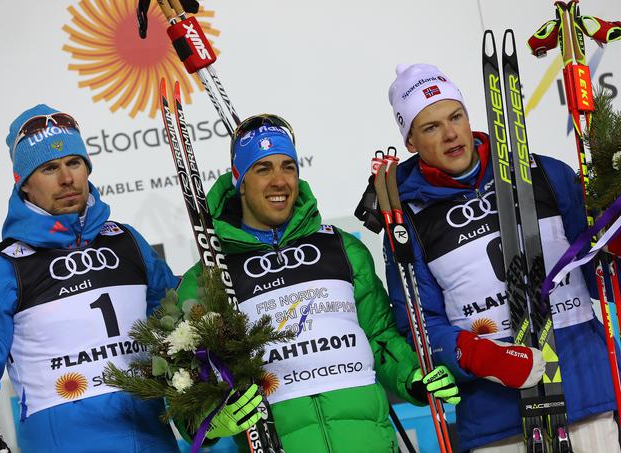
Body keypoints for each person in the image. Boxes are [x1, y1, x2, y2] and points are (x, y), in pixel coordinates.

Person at [177, 114, 461, 452]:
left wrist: (413, 375)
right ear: (239, 180)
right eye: (263, 169)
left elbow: (379, 336)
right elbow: (188, 382)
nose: (279, 181)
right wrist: (212, 418)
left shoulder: (341, 247)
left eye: (288, 167)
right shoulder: (210, 273)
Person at [384, 63, 620, 453]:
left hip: (584, 391)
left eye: (455, 116)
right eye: (430, 127)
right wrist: (483, 357)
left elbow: (604, 274)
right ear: (410, 141)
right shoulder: (408, 219)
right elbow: (419, 325)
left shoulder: (544, 173)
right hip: (496, 419)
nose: (450, 134)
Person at [0, 105, 181, 453]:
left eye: (74, 163)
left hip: (154, 442)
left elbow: (181, 327)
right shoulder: (0, 267)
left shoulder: (127, 242)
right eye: (49, 168)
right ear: (24, 184)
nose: (67, 179)